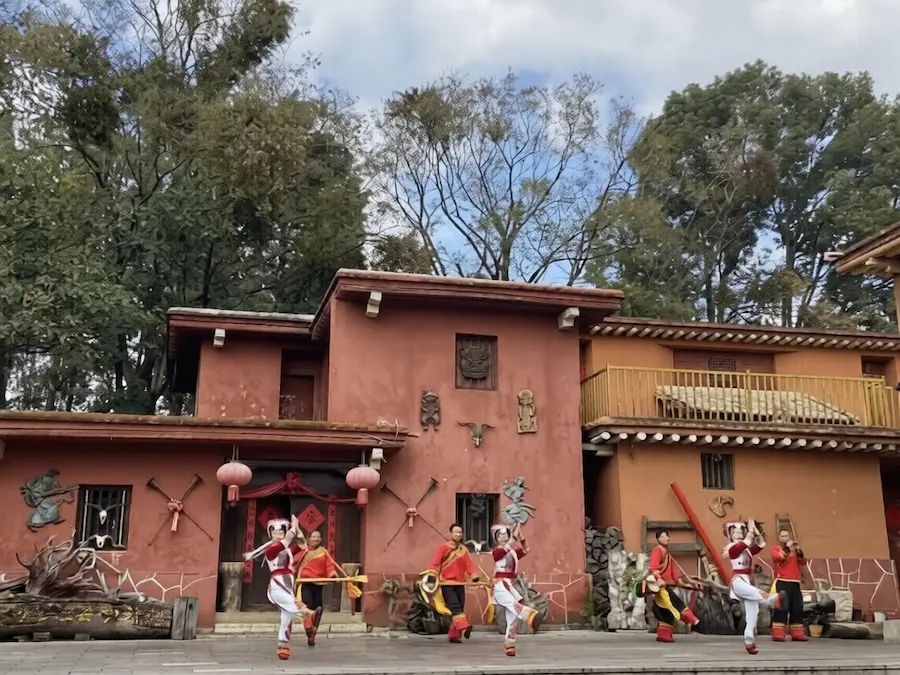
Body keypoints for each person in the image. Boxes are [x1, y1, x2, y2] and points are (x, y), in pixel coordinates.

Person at [243, 515, 313, 661]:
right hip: (278, 582)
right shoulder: (271, 549)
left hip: (288, 581)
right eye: (274, 533)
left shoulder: (287, 550)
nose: (277, 535)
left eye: (280, 532)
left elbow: (302, 546)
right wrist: (294, 527)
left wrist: (298, 532)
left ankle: (283, 645)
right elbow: (287, 540)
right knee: (290, 605)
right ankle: (307, 613)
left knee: (286, 616)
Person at [723, 520, 787, 654]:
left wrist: (757, 533)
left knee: (753, 613)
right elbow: (746, 542)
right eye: (735, 532)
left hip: (748, 581)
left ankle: (749, 640)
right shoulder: (732, 549)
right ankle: (772, 599)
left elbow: (761, 544)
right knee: (758, 594)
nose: (738, 534)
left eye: (740, 532)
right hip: (738, 581)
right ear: (731, 536)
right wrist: (751, 530)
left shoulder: (746, 549)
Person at [420, 523, 480, 643]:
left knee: (459, 608)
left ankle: (454, 636)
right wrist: (432, 576)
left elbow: (469, 565)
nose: (458, 534)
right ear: (451, 533)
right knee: (455, 607)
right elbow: (435, 563)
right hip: (446, 583)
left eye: (460, 532)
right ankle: (465, 626)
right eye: (456, 532)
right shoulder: (444, 548)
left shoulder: (463, 550)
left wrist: (473, 575)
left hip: (460, 584)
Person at [490, 523, 542, 657]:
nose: (503, 537)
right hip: (500, 584)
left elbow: (525, 550)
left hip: (511, 584)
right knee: (513, 605)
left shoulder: (512, 551)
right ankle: (530, 615)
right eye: (500, 535)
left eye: (505, 534)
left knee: (512, 617)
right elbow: (507, 548)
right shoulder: (497, 551)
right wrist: (514, 535)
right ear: (496, 538)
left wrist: (521, 536)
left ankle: (510, 645)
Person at [645, 529, 701, 643]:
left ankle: (664, 634)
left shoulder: (667, 553)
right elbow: (653, 567)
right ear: (658, 539)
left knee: (664, 608)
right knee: (673, 602)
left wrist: (679, 581)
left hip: (667, 584)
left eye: (667, 536)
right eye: (663, 536)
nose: (667, 538)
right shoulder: (657, 550)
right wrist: (659, 578)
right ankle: (689, 617)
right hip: (661, 586)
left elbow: (673, 570)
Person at [294, 530, 338, 647]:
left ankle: (313, 633)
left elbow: (329, 565)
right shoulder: (304, 551)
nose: (316, 539)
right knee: (307, 607)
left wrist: (332, 575)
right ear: (309, 539)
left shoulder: (323, 552)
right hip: (305, 583)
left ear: (321, 539)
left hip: (319, 583)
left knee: (318, 609)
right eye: (313, 537)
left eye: (318, 537)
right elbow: (294, 563)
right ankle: (309, 630)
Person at [770, 528, 808, 642]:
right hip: (782, 581)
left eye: (786, 536)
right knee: (782, 607)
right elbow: (779, 558)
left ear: (789, 537)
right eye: (782, 536)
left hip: (795, 582)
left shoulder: (794, 550)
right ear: (779, 538)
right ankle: (778, 633)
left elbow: (803, 562)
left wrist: (798, 550)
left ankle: (797, 633)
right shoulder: (776, 549)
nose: (784, 538)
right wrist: (788, 549)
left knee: (797, 607)